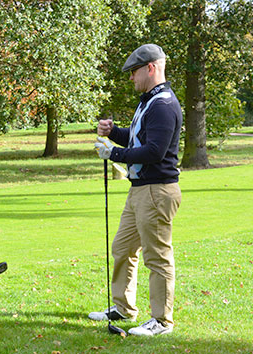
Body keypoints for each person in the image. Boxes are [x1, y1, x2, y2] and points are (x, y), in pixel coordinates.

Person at [89, 44, 183, 336]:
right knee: (123, 247)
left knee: (156, 256)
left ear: (150, 68)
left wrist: (113, 154)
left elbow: (154, 151)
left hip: (157, 191)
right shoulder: (148, 101)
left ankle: (162, 321)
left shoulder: (164, 104)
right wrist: (114, 132)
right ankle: (124, 307)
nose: (131, 78)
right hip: (140, 191)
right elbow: (138, 138)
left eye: (134, 72)